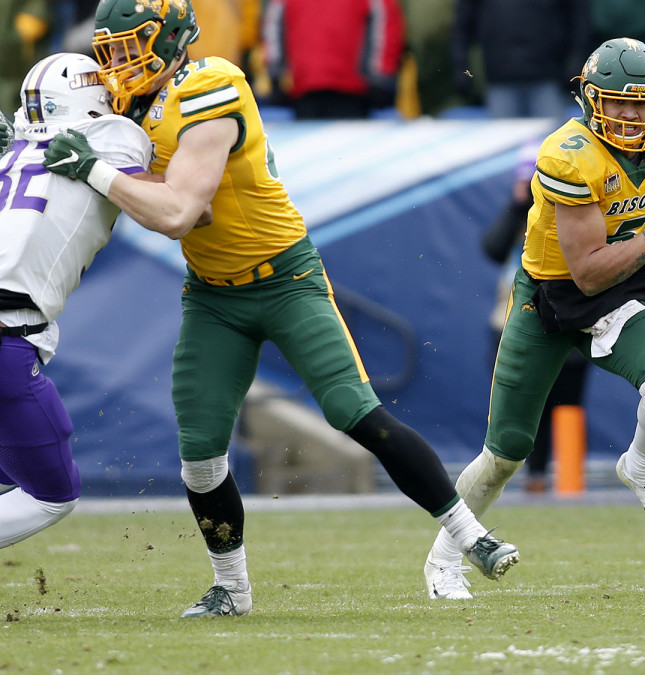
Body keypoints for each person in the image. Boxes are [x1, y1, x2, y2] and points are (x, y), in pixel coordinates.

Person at [43, 0, 518, 617]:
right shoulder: (132, 106)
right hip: (214, 294)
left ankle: (468, 535)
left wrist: (98, 171)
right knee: (200, 455)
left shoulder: (211, 83)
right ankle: (231, 589)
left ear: (174, 38)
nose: (122, 64)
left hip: (285, 279)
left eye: (135, 46)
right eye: (111, 51)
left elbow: (181, 212)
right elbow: (89, 156)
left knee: (357, 413)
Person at [422, 37, 645, 600]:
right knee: (504, 455)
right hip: (550, 297)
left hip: (616, 288)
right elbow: (585, 273)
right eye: (618, 102)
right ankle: (444, 559)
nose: (632, 116)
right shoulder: (569, 154)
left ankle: (641, 468)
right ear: (590, 98)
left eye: (644, 104)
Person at [0, 53, 154, 549]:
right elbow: (173, 203)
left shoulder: (13, 152)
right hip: (8, 337)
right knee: (51, 495)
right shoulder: (112, 136)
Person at [480, 142, 590, 493]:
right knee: (526, 403)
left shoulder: (572, 205)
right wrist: (516, 204)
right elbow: (493, 248)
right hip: (515, 315)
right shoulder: (519, 213)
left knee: (567, 402)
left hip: (569, 313)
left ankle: (569, 475)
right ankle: (533, 476)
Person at [262, 0, 405, 118]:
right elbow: (385, 23)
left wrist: (276, 75)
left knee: (313, 145)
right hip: (344, 88)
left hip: (332, 87)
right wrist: (380, 76)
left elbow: (273, 26)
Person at [451, 0, 590, 118]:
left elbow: (579, 19)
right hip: (500, 79)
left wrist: (575, 61)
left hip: (549, 78)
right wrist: (461, 67)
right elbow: (462, 25)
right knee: (504, 141)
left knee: (552, 143)